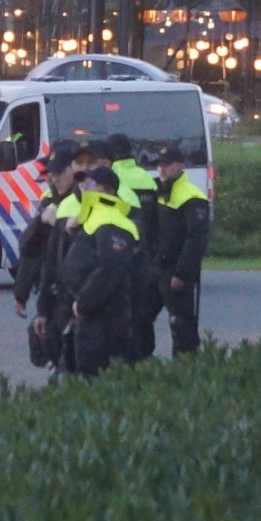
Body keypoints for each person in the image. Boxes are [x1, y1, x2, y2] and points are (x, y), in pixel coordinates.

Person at [62, 165, 142, 378]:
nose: (83, 188)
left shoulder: (112, 220)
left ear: (107, 190)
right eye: (82, 183)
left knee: (96, 381)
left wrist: (84, 303)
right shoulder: (93, 217)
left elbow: (110, 269)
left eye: (89, 184)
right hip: (93, 318)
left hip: (105, 321)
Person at [14, 141, 87, 372]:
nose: (52, 179)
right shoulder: (50, 200)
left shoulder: (82, 200)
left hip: (74, 291)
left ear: (72, 171)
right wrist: (21, 293)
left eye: (58, 173)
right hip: (52, 287)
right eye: (50, 174)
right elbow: (29, 249)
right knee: (49, 342)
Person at [149, 144, 211, 356]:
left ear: (180, 166)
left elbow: (197, 240)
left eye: (168, 165)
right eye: (159, 165)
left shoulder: (192, 196)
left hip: (175, 270)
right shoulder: (159, 191)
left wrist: (182, 273)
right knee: (141, 317)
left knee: (181, 325)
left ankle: (185, 372)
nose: (162, 169)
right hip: (157, 267)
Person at [107, 135, 161, 359]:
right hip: (147, 252)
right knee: (143, 312)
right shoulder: (146, 178)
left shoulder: (114, 179)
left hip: (124, 251)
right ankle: (146, 356)